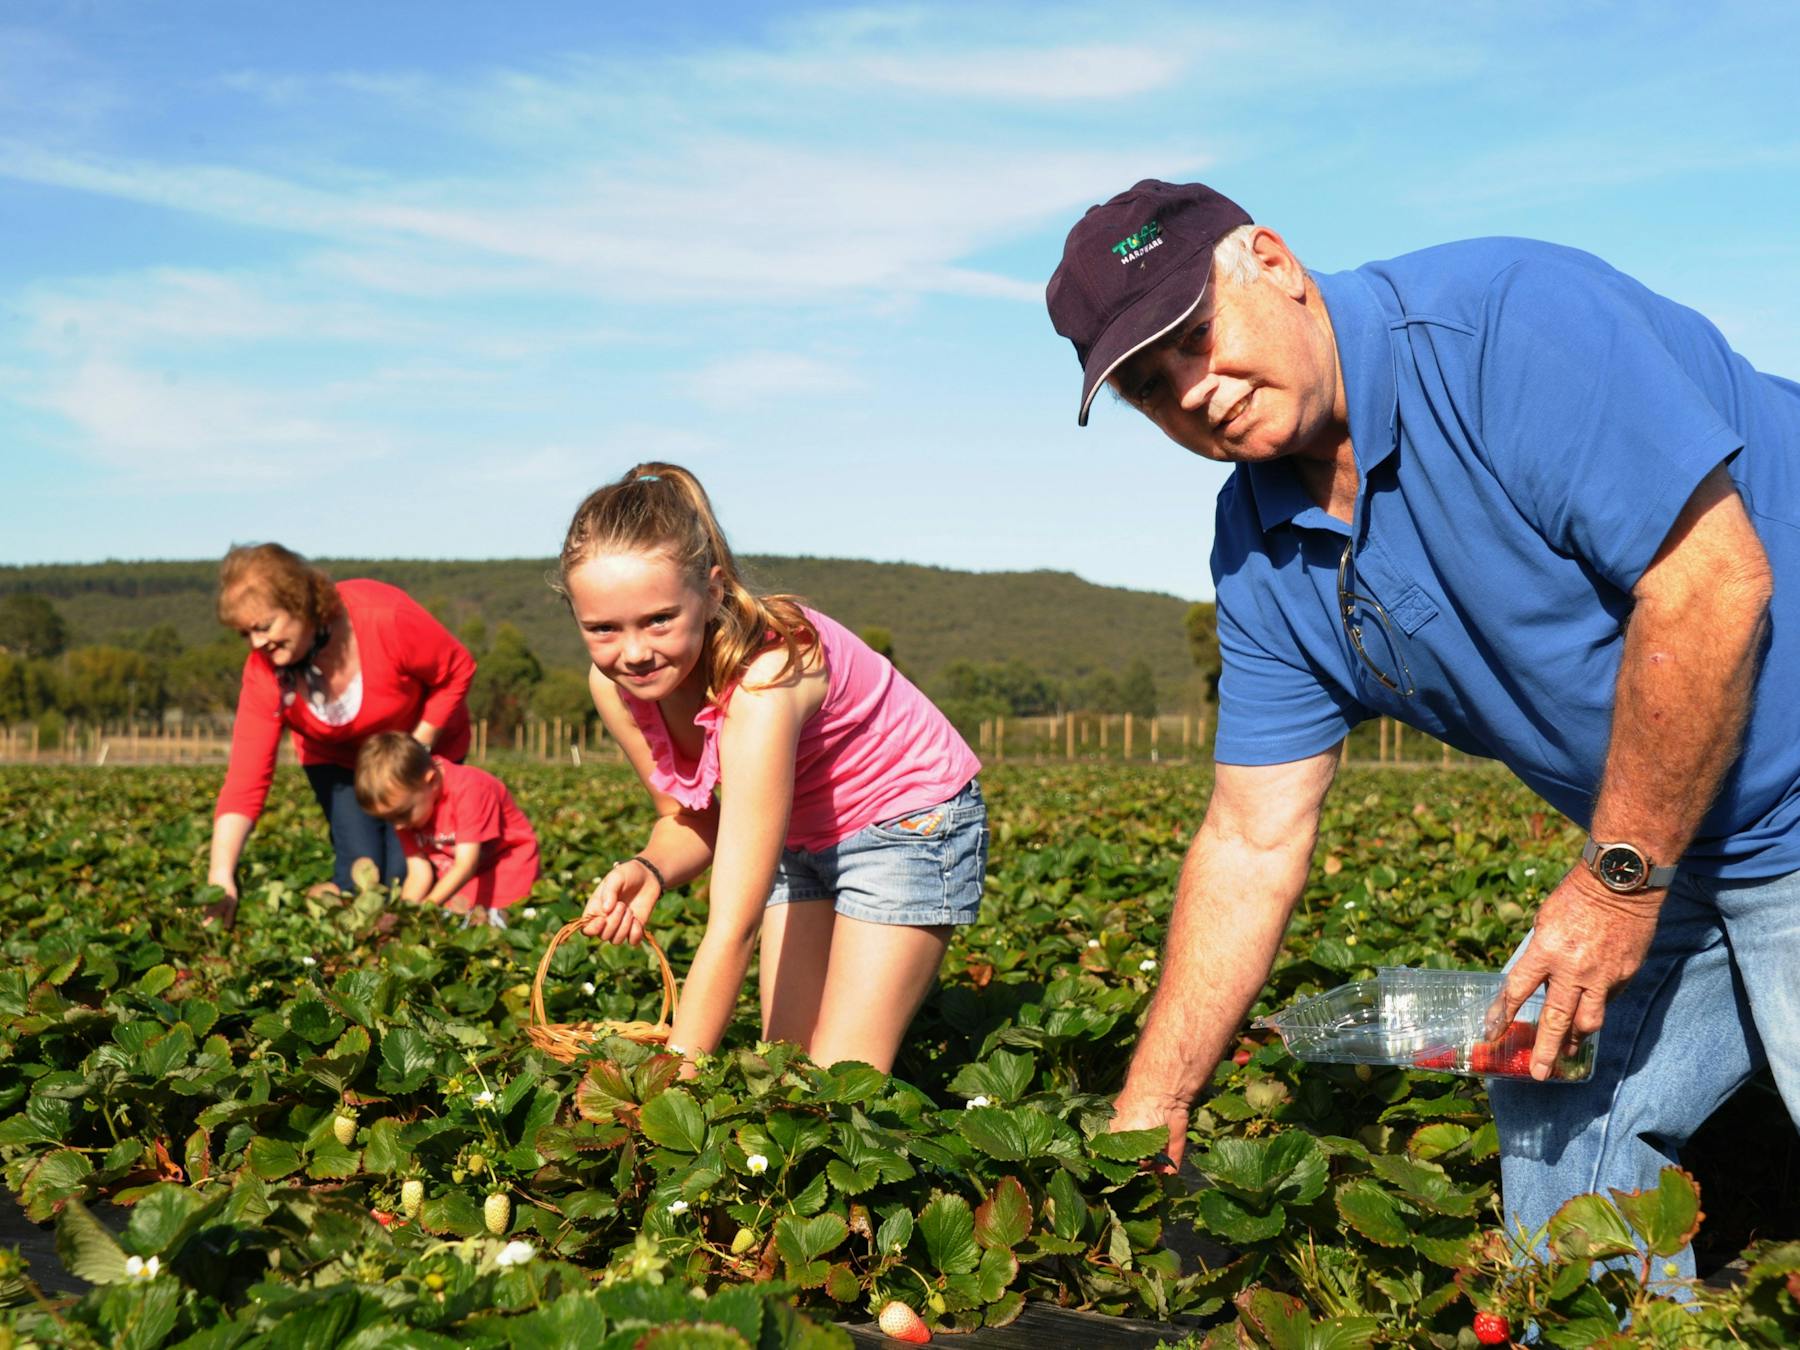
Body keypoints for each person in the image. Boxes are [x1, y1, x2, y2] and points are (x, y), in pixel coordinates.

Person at [1044, 178, 1798, 1277]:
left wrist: (1615, 883)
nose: (1194, 392)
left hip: (1745, 805)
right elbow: (1252, 839)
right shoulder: (1261, 545)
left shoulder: (1506, 329)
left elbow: (1712, 589)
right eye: (1152, 388)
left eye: (1196, 336)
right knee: (1556, 1135)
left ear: (1274, 261)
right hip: (1681, 835)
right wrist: (1151, 1102)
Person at [563, 463, 986, 1073]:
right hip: (798, 833)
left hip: (907, 823)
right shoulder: (614, 688)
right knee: (784, 1065)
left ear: (710, 592)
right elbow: (689, 818)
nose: (632, 651)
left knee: (838, 1079)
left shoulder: (765, 682)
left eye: (658, 619)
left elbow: (731, 930)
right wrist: (651, 867)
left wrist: (666, 1090)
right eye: (602, 628)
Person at [208, 544, 477, 929]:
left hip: (418, 750)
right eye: (244, 633)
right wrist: (221, 874)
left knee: (413, 878)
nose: (255, 643)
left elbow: (457, 669)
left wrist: (416, 748)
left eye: (263, 627)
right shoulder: (265, 673)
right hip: (338, 762)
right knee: (360, 877)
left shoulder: (384, 617)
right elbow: (246, 780)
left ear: (301, 604)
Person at [354, 732, 539, 926]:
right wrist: (403, 916)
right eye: (389, 818)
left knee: (497, 925)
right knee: (451, 926)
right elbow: (419, 873)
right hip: (464, 881)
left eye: (402, 814)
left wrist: (427, 907)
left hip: (506, 873)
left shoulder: (470, 789)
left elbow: (465, 865)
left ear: (431, 781)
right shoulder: (407, 808)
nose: (398, 825)